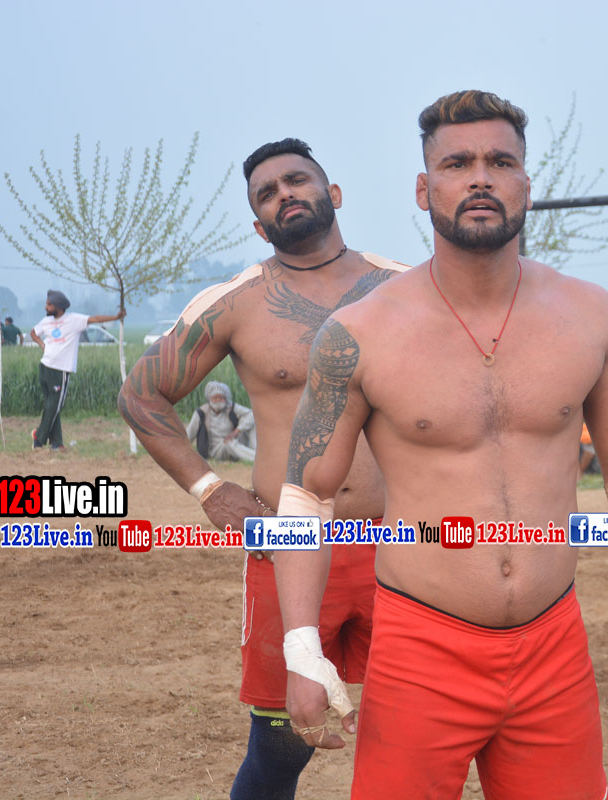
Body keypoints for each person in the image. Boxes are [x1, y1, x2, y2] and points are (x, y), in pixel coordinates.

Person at [275, 90, 608, 799]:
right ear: (424, 190)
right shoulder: (358, 334)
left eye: (500, 162)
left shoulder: (589, 316)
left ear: (526, 187)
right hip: (419, 648)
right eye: (457, 163)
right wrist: (301, 650)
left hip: (552, 644)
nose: (480, 178)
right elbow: (305, 498)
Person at [117, 137, 408, 800]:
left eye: (296, 180)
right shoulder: (237, 302)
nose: (284, 195)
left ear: (333, 194)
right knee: (281, 745)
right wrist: (209, 489)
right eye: (266, 194)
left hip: (402, 547)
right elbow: (141, 394)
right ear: (258, 224)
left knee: (414, 731)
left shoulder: (407, 288)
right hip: (290, 547)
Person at [29, 290, 125, 450]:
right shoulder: (46, 321)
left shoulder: (74, 320)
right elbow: (33, 333)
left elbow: (95, 319)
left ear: (59, 306)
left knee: (53, 407)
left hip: (60, 369)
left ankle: (57, 444)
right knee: (53, 406)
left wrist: (115, 317)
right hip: (45, 367)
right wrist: (42, 344)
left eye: (49, 304)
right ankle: (39, 437)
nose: (46, 307)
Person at [186, 380, 256, 462]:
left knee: (251, 423)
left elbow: (252, 414)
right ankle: (256, 458)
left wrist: (236, 431)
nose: (218, 400)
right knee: (229, 442)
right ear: (210, 398)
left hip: (234, 442)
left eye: (221, 397)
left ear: (226, 399)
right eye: (215, 397)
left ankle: (256, 452)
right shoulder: (201, 412)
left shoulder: (230, 407)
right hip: (215, 451)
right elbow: (188, 435)